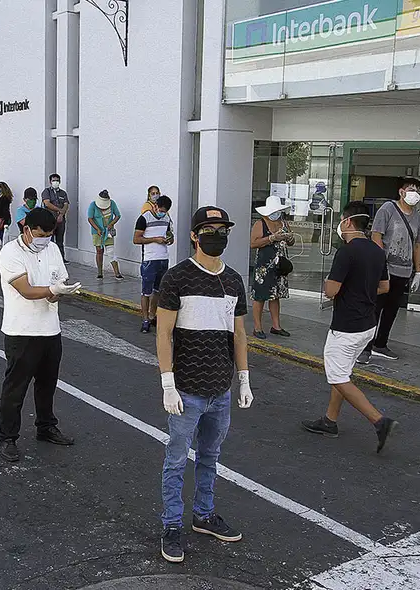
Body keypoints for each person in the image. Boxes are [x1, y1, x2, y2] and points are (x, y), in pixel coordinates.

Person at [155, 206, 253, 564]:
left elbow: (239, 334)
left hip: (220, 390)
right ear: (194, 235)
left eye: (222, 229)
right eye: (209, 229)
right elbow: (164, 334)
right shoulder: (177, 278)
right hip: (185, 390)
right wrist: (168, 383)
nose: (217, 235)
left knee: (210, 457)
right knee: (177, 459)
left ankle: (204, 515)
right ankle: (171, 525)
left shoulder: (234, 280)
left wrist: (243, 379)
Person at [301, 202, 397, 451]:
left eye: (341, 221)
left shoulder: (346, 251)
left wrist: (336, 286)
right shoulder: (377, 251)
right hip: (367, 325)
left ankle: (379, 420)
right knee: (341, 373)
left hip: (346, 326)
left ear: (347, 222)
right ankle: (330, 420)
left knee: (338, 377)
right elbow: (385, 287)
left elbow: (331, 291)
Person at [0, 207, 81, 462]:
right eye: (41, 234)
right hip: (21, 331)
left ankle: (46, 427)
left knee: (47, 384)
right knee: (15, 388)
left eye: (50, 234)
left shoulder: (52, 249)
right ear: (27, 230)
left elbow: (56, 286)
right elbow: (26, 290)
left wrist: (61, 291)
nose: (45, 239)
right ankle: (8, 438)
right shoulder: (11, 253)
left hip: (50, 329)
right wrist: (52, 289)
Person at [360, 176, 420, 362]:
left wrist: (418, 271)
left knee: (392, 309)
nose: (415, 194)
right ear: (401, 192)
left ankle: (381, 344)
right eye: (411, 189)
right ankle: (365, 346)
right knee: (376, 307)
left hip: (404, 271)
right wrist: (381, 265)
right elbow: (376, 235)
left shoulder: (418, 218)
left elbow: (417, 245)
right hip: (385, 269)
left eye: (418, 190)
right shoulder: (388, 209)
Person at [250, 195, 295, 339]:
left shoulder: (283, 223)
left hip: (279, 264)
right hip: (265, 265)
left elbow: (291, 242)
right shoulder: (260, 224)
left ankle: (276, 326)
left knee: (275, 296)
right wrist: (271, 238)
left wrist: (289, 238)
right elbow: (253, 243)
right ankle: (257, 327)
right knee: (260, 296)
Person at [134, 194, 173, 333]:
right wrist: (155, 239)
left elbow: (170, 234)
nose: (162, 213)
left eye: (164, 211)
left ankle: (152, 315)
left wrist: (169, 238)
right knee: (146, 291)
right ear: (155, 206)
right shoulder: (144, 218)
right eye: (160, 209)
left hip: (163, 258)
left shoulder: (167, 218)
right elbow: (136, 239)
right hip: (149, 259)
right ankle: (145, 320)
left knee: (158, 290)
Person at [87, 189, 122, 280]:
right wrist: (97, 229)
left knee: (111, 251)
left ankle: (117, 273)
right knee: (99, 251)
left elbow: (118, 215)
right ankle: (99, 272)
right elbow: (90, 218)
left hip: (109, 231)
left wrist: (111, 224)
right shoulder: (93, 205)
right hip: (97, 232)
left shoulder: (112, 203)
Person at [41, 173, 70, 263]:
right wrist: (59, 210)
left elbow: (66, 204)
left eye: (57, 180)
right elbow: (47, 203)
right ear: (50, 182)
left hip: (61, 220)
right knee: (50, 239)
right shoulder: (46, 192)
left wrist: (61, 214)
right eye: (53, 180)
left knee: (60, 240)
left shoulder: (63, 193)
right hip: (50, 220)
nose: (55, 182)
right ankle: (50, 258)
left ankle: (61, 258)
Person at [0, 181, 13, 246]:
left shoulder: (4, 198)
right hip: (0, 219)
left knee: (4, 236)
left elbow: (5, 211)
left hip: (4, 219)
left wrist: (6, 222)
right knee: (2, 235)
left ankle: (5, 248)